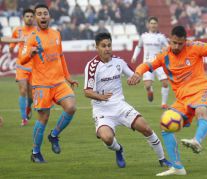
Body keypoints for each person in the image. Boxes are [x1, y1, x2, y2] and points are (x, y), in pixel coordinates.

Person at [128, 25, 207, 176]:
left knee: (201, 111)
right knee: (165, 126)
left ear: (186, 41)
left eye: (180, 43)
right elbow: (147, 65)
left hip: (200, 90)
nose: (177, 46)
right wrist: (138, 73)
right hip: (182, 99)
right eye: (174, 43)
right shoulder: (164, 55)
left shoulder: (195, 47)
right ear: (170, 40)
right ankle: (177, 167)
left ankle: (197, 140)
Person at [83, 32, 171, 169]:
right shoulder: (92, 66)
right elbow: (86, 92)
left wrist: (135, 78)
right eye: (103, 46)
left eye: (109, 45)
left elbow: (135, 74)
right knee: (107, 138)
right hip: (102, 110)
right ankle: (118, 149)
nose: (107, 49)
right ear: (97, 47)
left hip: (120, 106)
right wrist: (100, 97)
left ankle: (163, 159)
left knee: (146, 128)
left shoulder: (119, 62)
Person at [20, 4, 78, 163]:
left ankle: (53, 135)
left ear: (49, 16)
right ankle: (35, 152)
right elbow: (22, 58)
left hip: (59, 82)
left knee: (71, 107)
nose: (43, 16)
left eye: (45, 13)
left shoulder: (56, 34)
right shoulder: (31, 37)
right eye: (39, 14)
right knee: (43, 117)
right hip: (41, 85)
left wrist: (68, 77)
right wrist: (30, 54)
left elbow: (61, 56)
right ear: (36, 18)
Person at [131, 16, 169, 109]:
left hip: (159, 63)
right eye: (151, 23)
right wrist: (134, 56)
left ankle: (163, 104)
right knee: (147, 85)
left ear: (157, 25)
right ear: (148, 25)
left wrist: (166, 52)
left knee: (165, 83)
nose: (153, 25)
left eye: (155, 23)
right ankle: (149, 91)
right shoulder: (144, 36)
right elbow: (139, 46)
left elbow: (168, 48)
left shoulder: (161, 37)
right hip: (147, 64)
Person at [9, 8, 37, 126]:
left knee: (31, 96)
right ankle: (24, 118)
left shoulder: (37, 31)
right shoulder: (17, 30)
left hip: (34, 67)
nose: (29, 18)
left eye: (31, 16)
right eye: (27, 16)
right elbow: (11, 46)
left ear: (34, 18)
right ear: (23, 18)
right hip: (21, 66)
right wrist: (11, 47)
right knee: (22, 91)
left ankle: (28, 106)